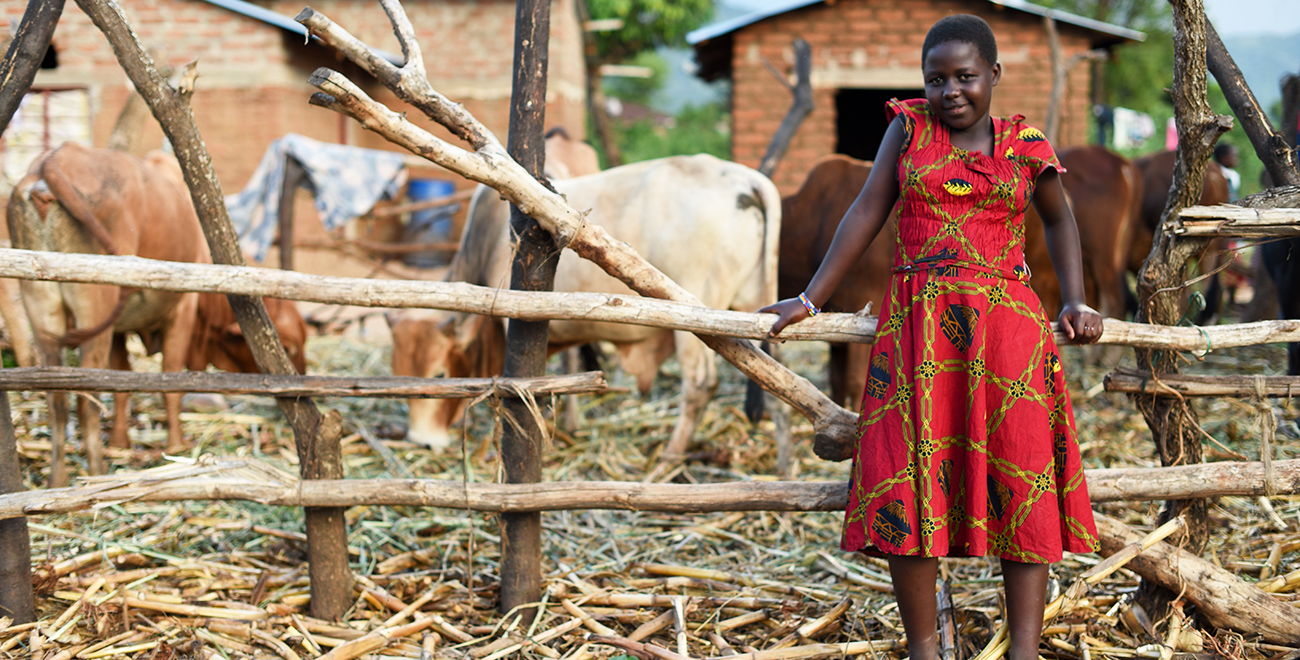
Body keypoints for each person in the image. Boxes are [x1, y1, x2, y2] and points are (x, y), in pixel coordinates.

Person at [761, 14, 1101, 660]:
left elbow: (1061, 221)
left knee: (1022, 481)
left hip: (1010, 340)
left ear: (994, 75)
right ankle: (924, 649)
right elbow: (867, 208)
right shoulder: (906, 128)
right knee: (903, 481)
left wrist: (1078, 300)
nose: (951, 91)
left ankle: (1024, 651)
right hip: (918, 337)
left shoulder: (1026, 144)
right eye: (936, 78)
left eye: (966, 77)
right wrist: (811, 296)